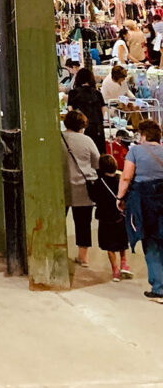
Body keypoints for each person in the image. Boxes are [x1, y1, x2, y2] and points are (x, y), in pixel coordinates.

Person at [117, 119, 163, 301]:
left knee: (151, 242)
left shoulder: (135, 151)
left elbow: (126, 177)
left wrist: (120, 198)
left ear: (143, 135)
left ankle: (159, 287)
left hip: (146, 201)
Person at [61, 110, 100, 268]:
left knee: (59, 220)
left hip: (62, 186)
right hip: (84, 187)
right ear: (82, 125)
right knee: (83, 223)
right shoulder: (87, 140)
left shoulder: (58, 138)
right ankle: (83, 257)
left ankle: (57, 250)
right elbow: (97, 162)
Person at [91, 154, 132, 283]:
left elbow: (94, 198)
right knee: (122, 242)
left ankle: (115, 270)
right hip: (120, 216)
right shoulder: (120, 179)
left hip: (105, 218)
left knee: (109, 245)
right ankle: (124, 263)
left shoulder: (99, 182)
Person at [67, 68, 107, 152]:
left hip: (81, 129)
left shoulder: (73, 93)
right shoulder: (97, 93)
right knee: (98, 155)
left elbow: (71, 113)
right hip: (97, 130)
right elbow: (103, 110)